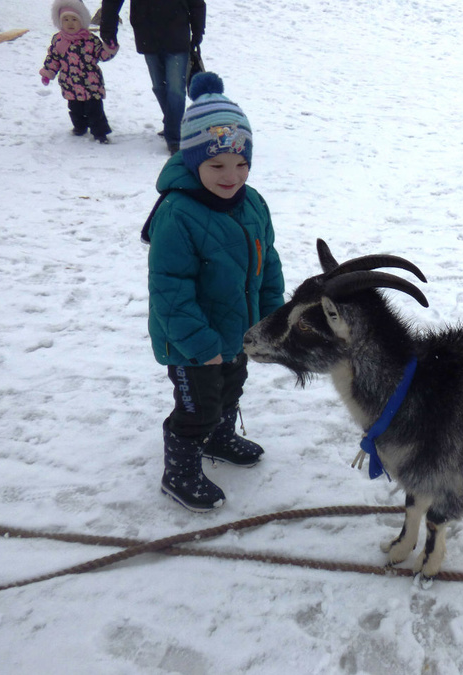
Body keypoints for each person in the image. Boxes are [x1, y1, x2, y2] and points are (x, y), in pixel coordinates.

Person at [144, 72, 285, 512]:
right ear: (192, 161)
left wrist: (272, 319)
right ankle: (180, 471)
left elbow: (269, 264)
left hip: (238, 331)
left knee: (231, 388)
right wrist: (200, 344)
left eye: (242, 163)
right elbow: (169, 289)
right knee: (196, 407)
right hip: (191, 342)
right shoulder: (177, 214)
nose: (232, 175)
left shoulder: (253, 203)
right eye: (217, 165)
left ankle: (219, 437)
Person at [100, 0, 205, 154]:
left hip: (177, 32)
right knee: (159, 86)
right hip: (147, 34)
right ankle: (173, 122)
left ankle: (174, 137)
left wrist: (197, 30)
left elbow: (197, 3)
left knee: (176, 89)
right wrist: (108, 31)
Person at [40, 0, 118, 143]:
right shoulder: (59, 40)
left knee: (95, 111)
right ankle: (79, 127)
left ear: (81, 21)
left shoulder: (90, 40)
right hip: (70, 84)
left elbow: (102, 55)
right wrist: (48, 73)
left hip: (91, 83)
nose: (70, 23)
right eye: (66, 20)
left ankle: (100, 133)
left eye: (74, 19)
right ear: (60, 21)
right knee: (75, 109)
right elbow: (53, 58)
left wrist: (109, 48)